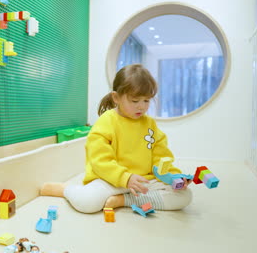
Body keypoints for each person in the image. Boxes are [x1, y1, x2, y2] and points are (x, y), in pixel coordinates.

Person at [40, 64, 192, 213]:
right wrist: (125, 178)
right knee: (88, 203)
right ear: (116, 97)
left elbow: (161, 156)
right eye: (135, 101)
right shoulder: (107, 122)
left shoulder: (149, 124)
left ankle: (123, 200)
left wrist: (173, 176)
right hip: (110, 180)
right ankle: (67, 189)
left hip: (143, 180)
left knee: (184, 197)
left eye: (146, 101)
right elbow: (100, 160)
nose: (141, 107)